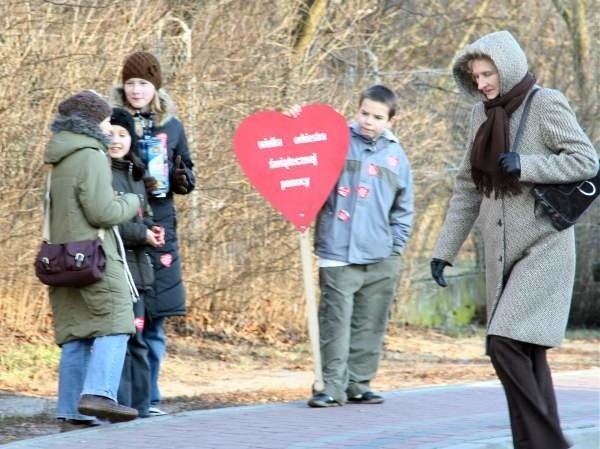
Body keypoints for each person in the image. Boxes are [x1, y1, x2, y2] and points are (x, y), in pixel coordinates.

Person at [430, 31, 598, 449]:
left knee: (502, 342)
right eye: (476, 75)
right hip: (502, 252)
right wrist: (443, 250)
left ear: (507, 66)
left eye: (488, 73)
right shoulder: (480, 116)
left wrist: (526, 164)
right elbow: (467, 187)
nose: (482, 83)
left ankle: (546, 442)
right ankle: (535, 442)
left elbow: (585, 160)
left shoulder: (545, 103)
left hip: (545, 246)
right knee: (527, 351)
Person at [285, 85, 414, 407]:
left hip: (381, 254)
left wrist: (395, 247)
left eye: (377, 117)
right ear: (356, 110)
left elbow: (404, 207)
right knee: (335, 320)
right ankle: (330, 385)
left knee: (370, 322)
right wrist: (295, 124)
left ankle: (358, 382)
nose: (368, 121)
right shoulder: (334, 141)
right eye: (364, 113)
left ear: (391, 120)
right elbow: (300, 155)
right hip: (338, 249)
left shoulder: (396, 156)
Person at [44, 91, 141, 426]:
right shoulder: (91, 155)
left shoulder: (60, 157)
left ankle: (71, 410)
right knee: (116, 321)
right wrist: (131, 201)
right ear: (91, 121)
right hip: (94, 259)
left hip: (59, 260)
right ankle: (99, 392)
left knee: (76, 333)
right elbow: (102, 211)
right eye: (105, 120)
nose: (109, 127)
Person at [110, 51, 195, 416]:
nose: (136, 89)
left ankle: (152, 397)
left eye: (143, 83)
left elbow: (188, 171)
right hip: (125, 225)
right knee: (128, 320)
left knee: (156, 318)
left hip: (162, 227)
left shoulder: (171, 125)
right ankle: (123, 396)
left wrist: (182, 178)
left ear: (155, 86)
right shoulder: (114, 121)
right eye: (130, 83)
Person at [108, 107, 166, 418]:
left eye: (123, 134)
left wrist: (153, 229)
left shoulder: (136, 173)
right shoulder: (102, 172)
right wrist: (141, 234)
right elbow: (108, 222)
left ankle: (142, 405)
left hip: (140, 274)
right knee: (121, 342)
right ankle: (121, 404)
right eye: (111, 133)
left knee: (139, 341)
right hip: (115, 271)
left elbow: (145, 216)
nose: (116, 140)